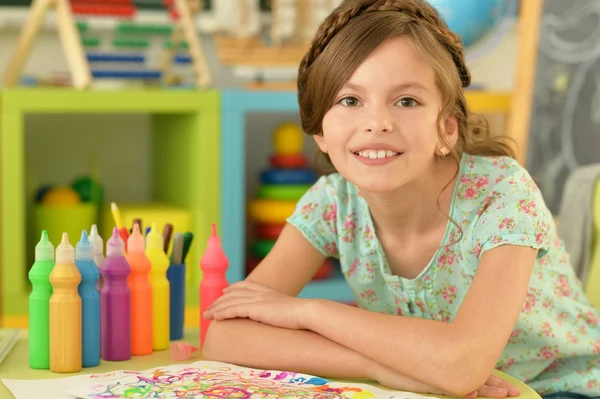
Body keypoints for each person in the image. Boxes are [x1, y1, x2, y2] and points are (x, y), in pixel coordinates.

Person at [202, 0, 600, 397]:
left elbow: (462, 365)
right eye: (350, 100)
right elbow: (225, 336)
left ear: (446, 128)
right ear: (320, 130)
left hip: (561, 387)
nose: (378, 123)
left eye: (406, 101)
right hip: (429, 386)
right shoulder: (332, 202)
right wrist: (375, 366)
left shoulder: (502, 196)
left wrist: (309, 311)